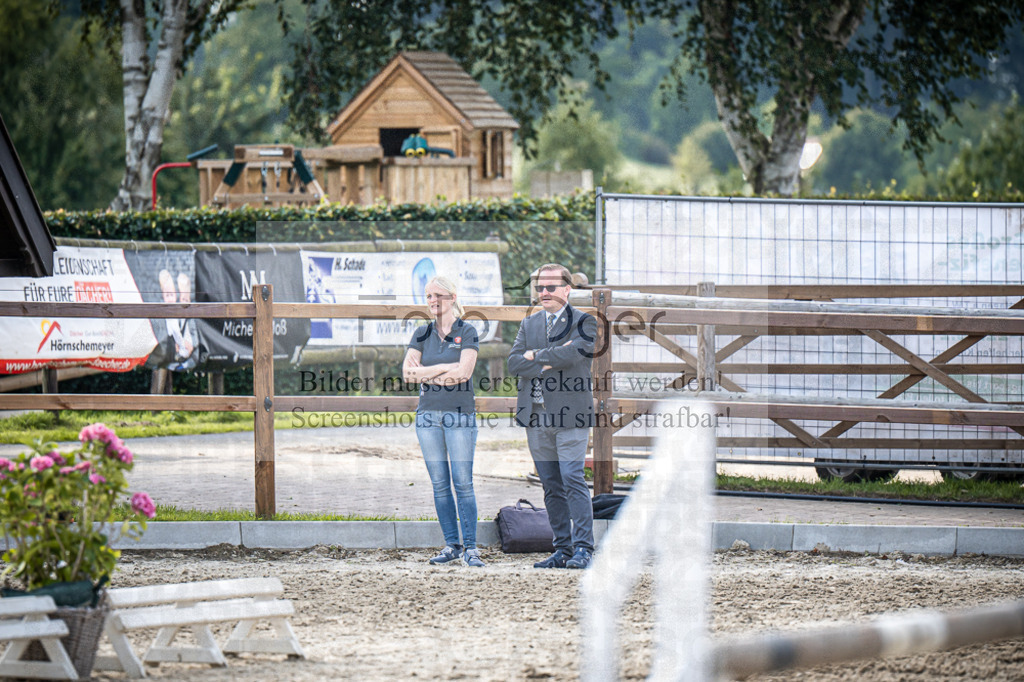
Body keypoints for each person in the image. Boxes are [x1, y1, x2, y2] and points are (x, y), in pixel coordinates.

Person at [508, 264, 597, 569]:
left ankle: (584, 547)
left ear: (567, 289)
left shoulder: (585, 322)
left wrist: (538, 355)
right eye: (540, 288)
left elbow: (575, 354)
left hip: (570, 415)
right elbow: (514, 363)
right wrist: (549, 357)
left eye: (550, 287)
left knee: (572, 477)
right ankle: (563, 548)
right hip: (536, 417)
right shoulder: (529, 324)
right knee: (550, 483)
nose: (544, 293)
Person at [402, 276, 483, 567]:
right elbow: (407, 374)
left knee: (463, 483)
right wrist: (444, 367)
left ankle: (472, 548)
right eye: (428, 296)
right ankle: (452, 545)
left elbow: (463, 374)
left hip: (460, 415)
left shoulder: (468, 331)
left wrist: (427, 372)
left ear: (452, 297)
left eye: (438, 295)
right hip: (427, 417)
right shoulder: (421, 333)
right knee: (439, 484)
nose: (433, 301)